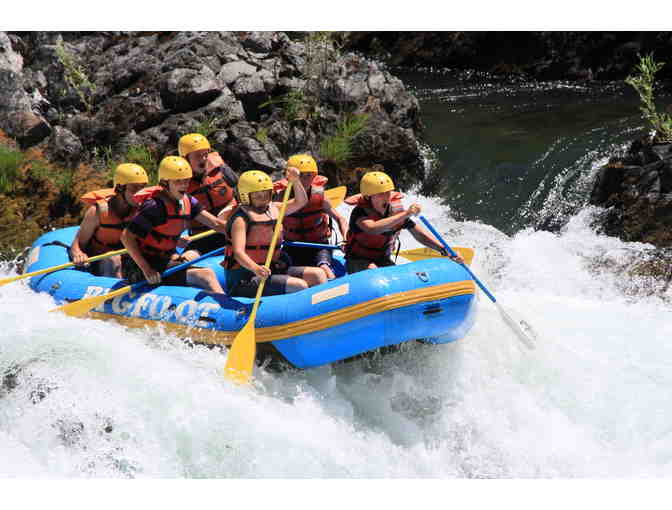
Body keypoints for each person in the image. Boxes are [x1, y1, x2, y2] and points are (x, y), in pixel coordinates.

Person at [120, 156, 227, 292]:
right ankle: (221, 304)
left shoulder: (188, 201)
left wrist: (241, 233)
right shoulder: (154, 206)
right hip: (139, 266)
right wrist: (146, 269)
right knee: (206, 275)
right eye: (178, 181)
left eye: (186, 180)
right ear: (165, 183)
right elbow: (126, 237)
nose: (184, 185)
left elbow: (216, 224)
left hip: (164, 260)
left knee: (189, 261)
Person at [223, 167, 327, 297]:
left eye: (266, 193)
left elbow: (301, 202)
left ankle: (324, 307)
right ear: (245, 196)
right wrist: (256, 269)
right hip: (246, 276)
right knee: (299, 285)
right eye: (257, 195)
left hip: (273, 268)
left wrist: (295, 181)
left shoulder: (275, 208)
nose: (263, 198)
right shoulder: (240, 219)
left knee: (318, 274)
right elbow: (238, 253)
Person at [344, 171, 463, 274]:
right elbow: (373, 228)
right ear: (368, 197)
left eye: (388, 192)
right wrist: (406, 214)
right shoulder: (359, 213)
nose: (386, 197)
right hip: (357, 260)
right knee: (374, 271)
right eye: (380, 194)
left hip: (382, 259)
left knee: (393, 275)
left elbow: (420, 235)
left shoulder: (395, 212)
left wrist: (444, 250)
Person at [273, 154, 348, 280]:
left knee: (324, 268)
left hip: (318, 245)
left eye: (309, 175)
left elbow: (340, 219)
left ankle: (334, 288)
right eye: (300, 175)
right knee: (283, 268)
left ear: (314, 176)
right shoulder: (281, 197)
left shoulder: (319, 196)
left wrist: (346, 238)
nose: (305, 179)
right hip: (292, 246)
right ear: (290, 177)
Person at [70, 163, 149, 278]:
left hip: (128, 258)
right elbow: (77, 244)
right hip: (99, 261)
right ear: (120, 188)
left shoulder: (142, 210)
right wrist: (78, 254)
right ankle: (117, 288)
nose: (140, 194)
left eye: (142, 188)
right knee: (113, 259)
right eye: (134, 188)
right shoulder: (97, 212)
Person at [177, 133, 238, 260]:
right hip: (202, 237)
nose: (203, 159)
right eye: (198, 156)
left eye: (205, 154)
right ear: (185, 159)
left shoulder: (220, 169)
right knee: (185, 259)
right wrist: (177, 237)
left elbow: (239, 197)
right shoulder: (179, 186)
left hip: (231, 231)